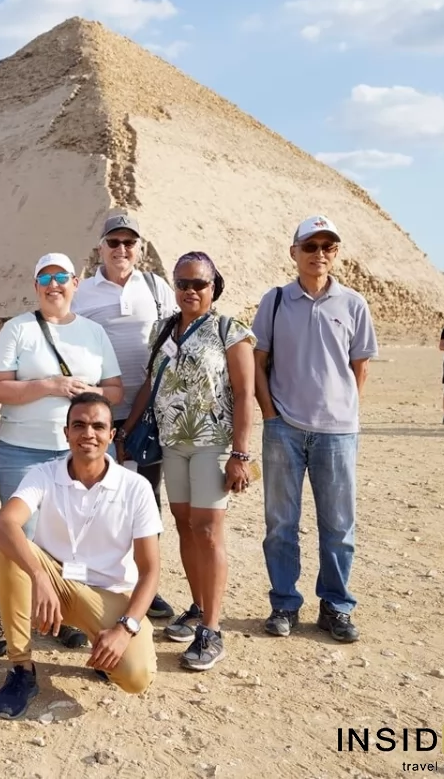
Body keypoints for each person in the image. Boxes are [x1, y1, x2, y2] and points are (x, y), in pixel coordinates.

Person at [0, 252, 124, 657]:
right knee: (18, 532)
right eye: (45, 278)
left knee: (72, 535)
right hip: (22, 450)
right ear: (35, 287)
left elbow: (115, 391)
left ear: (76, 283)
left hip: (79, 454)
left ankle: (62, 611)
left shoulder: (93, 333)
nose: (54, 284)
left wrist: (89, 398)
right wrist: (50, 385)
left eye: (62, 276)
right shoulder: (19, 328)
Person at [0, 392, 161, 719]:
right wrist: (39, 576)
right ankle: (22, 669)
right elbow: (2, 525)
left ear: (112, 434)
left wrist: (125, 630)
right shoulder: (43, 474)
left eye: (98, 426)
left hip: (108, 594)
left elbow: (151, 571)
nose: (88, 433)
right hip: (54, 582)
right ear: (66, 432)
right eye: (78, 425)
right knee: (10, 547)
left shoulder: (135, 488)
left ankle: (105, 650)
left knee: (136, 677)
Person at [121, 251, 255, 670]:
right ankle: (198, 606)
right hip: (171, 442)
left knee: (210, 530)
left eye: (199, 283)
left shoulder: (230, 331)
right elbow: (149, 381)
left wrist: (241, 454)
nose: (191, 290)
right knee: (183, 525)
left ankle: (211, 629)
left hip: (213, 444)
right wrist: (125, 432)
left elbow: (245, 393)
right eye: (183, 283)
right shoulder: (163, 329)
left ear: (215, 286)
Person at [252, 215, 378, 644]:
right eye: (310, 246)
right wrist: (270, 414)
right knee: (280, 524)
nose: (319, 254)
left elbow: (359, 368)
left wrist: (342, 410)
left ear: (336, 253)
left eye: (327, 247)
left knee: (339, 525)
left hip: (337, 431)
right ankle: (284, 603)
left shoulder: (354, 304)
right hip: (284, 427)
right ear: (294, 253)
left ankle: (336, 606)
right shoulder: (274, 301)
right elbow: (259, 362)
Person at [71, 213, 178, 621]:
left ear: (140, 248)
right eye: (113, 242)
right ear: (100, 247)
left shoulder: (157, 288)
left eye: (128, 243)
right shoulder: (82, 293)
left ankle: (143, 591)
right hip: (98, 416)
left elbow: (173, 340)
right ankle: (86, 592)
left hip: (148, 416)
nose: (121, 250)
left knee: (144, 502)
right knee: (90, 503)